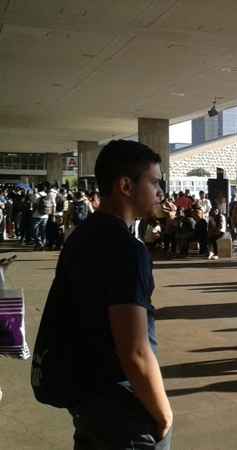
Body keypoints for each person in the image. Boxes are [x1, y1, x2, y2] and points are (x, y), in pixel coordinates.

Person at [34, 140, 173, 448]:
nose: (160, 192)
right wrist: (164, 415)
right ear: (125, 185)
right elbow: (135, 352)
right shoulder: (127, 250)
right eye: (154, 182)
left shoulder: (81, 236)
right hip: (124, 411)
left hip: (87, 402)